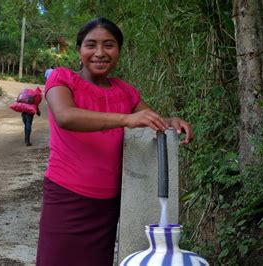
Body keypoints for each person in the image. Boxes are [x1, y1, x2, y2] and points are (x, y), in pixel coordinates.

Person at [36, 17, 193, 266]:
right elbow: (66, 116)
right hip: (66, 197)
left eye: (108, 45)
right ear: (79, 50)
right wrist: (126, 119)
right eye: (91, 45)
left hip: (109, 204)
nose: (100, 53)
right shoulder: (62, 79)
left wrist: (171, 121)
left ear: (119, 50)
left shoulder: (126, 92)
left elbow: (149, 120)